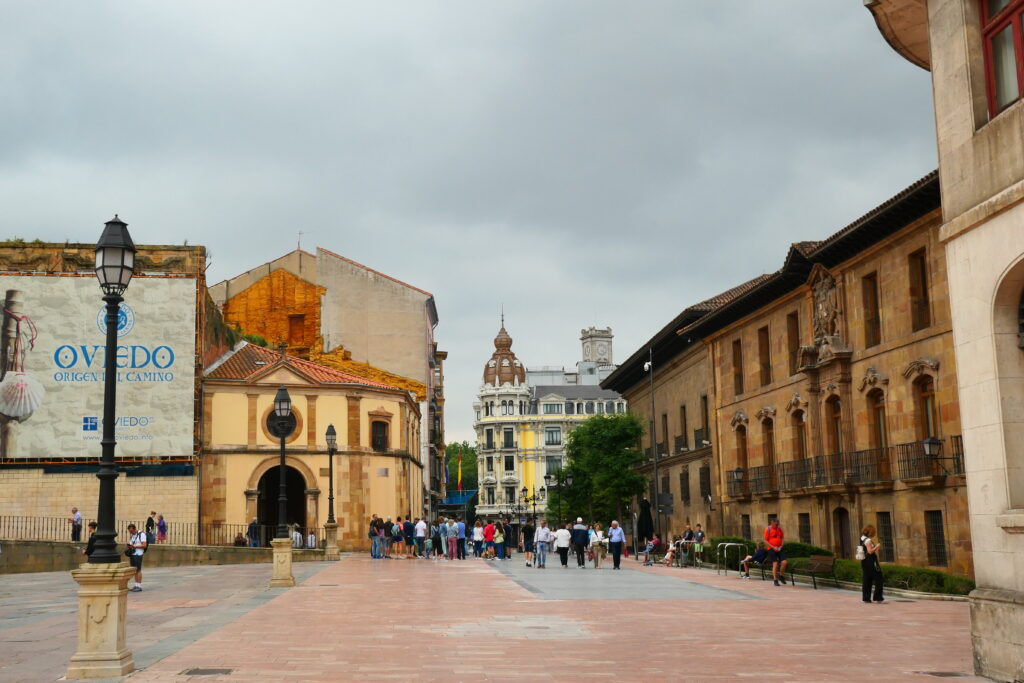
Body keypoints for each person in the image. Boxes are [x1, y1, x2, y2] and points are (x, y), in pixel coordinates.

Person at [860, 524, 885, 603]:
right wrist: (877, 546)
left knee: (867, 578)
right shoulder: (868, 541)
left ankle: (866, 597)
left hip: (864, 561)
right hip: (871, 561)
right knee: (879, 578)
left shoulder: (862, 538)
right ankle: (878, 597)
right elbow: (870, 551)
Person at [764, 518, 788, 586]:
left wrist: (781, 546)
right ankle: (775, 580)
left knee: (784, 562)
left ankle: (781, 576)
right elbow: (765, 540)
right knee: (775, 564)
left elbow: (782, 537)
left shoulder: (779, 529)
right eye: (776, 524)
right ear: (772, 523)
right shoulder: (768, 529)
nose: (777, 525)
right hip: (771, 549)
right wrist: (773, 547)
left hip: (779, 548)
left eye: (777, 524)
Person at [126, 523, 147, 592]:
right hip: (133, 554)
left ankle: (139, 586)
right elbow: (132, 543)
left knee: (138, 570)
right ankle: (136, 585)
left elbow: (144, 545)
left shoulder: (141, 534)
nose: (131, 533)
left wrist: (135, 546)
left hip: (138, 554)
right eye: (130, 532)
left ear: (135, 529)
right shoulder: (132, 536)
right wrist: (130, 546)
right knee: (135, 570)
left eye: (132, 531)